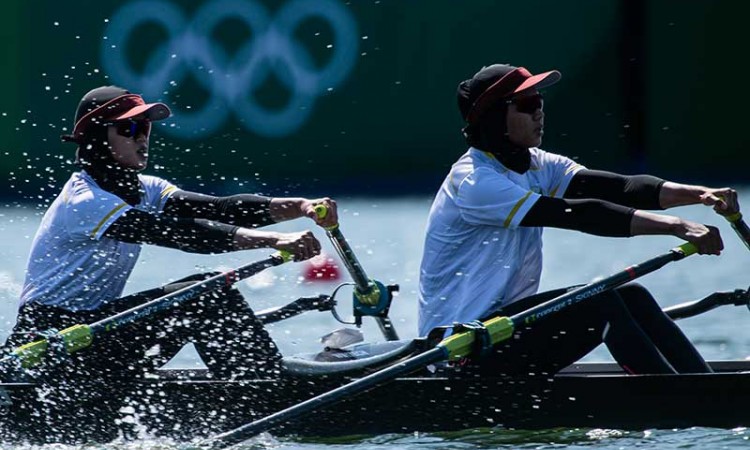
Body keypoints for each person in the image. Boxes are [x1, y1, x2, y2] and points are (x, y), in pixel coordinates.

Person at [418, 64, 741, 376]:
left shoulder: (538, 165)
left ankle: (700, 384)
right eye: (527, 104)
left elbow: (621, 188)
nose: (539, 112)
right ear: (493, 118)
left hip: (503, 331)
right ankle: (676, 402)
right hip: (460, 350)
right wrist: (677, 226)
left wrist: (699, 194)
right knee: (601, 304)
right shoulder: (475, 182)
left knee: (632, 296)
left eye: (540, 102)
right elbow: (579, 214)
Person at [7, 85, 338, 380]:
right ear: (96, 138)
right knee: (204, 293)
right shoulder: (85, 201)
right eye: (129, 128)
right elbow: (177, 234)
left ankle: (255, 381)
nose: (141, 137)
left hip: (92, 334)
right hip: (50, 346)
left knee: (203, 293)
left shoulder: (145, 189)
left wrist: (301, 206)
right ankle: (261, 391)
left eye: (145, 127)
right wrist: (275, 240)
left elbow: (220, 208)